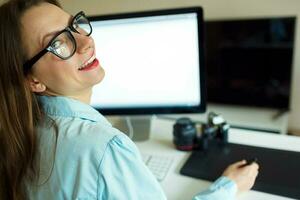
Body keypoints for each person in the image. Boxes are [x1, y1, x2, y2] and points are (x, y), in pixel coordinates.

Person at [0, 0, 259, 199]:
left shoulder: (20, 133)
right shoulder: (104, 147)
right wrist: (228, 187)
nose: (85, 42)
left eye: (73, 25)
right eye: (58, 43)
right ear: (32, 80)